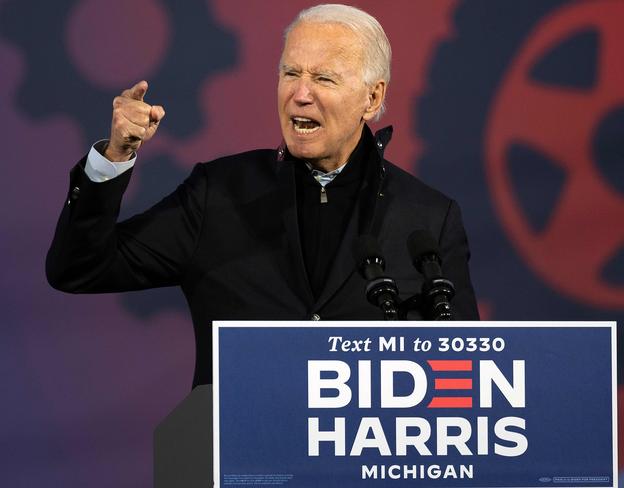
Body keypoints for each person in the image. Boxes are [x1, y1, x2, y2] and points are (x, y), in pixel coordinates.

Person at [47, 4, 479, 388]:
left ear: (372, 97)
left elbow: (465, 376)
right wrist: (114, 158)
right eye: (290, 73)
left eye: (323, 78)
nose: (301, 94)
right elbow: (80, 269)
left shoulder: (427, 218)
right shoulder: (218, 193)